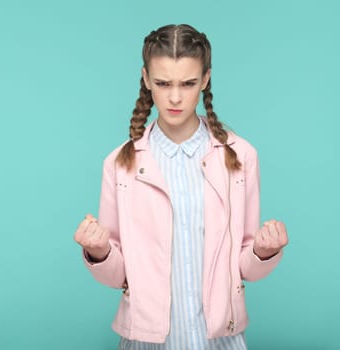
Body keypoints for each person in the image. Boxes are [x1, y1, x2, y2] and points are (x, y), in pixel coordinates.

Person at [74, 24, 289, 349]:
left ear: (205, 80)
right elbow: (117, 277)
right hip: (146, 341)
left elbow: (246, 266)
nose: (175, 97)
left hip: (219, 339)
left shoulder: (241, 156)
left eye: (188, 84)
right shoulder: (119, 164)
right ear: (146, 79)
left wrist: (264, 250)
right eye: (163, 83)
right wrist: (98, 251)